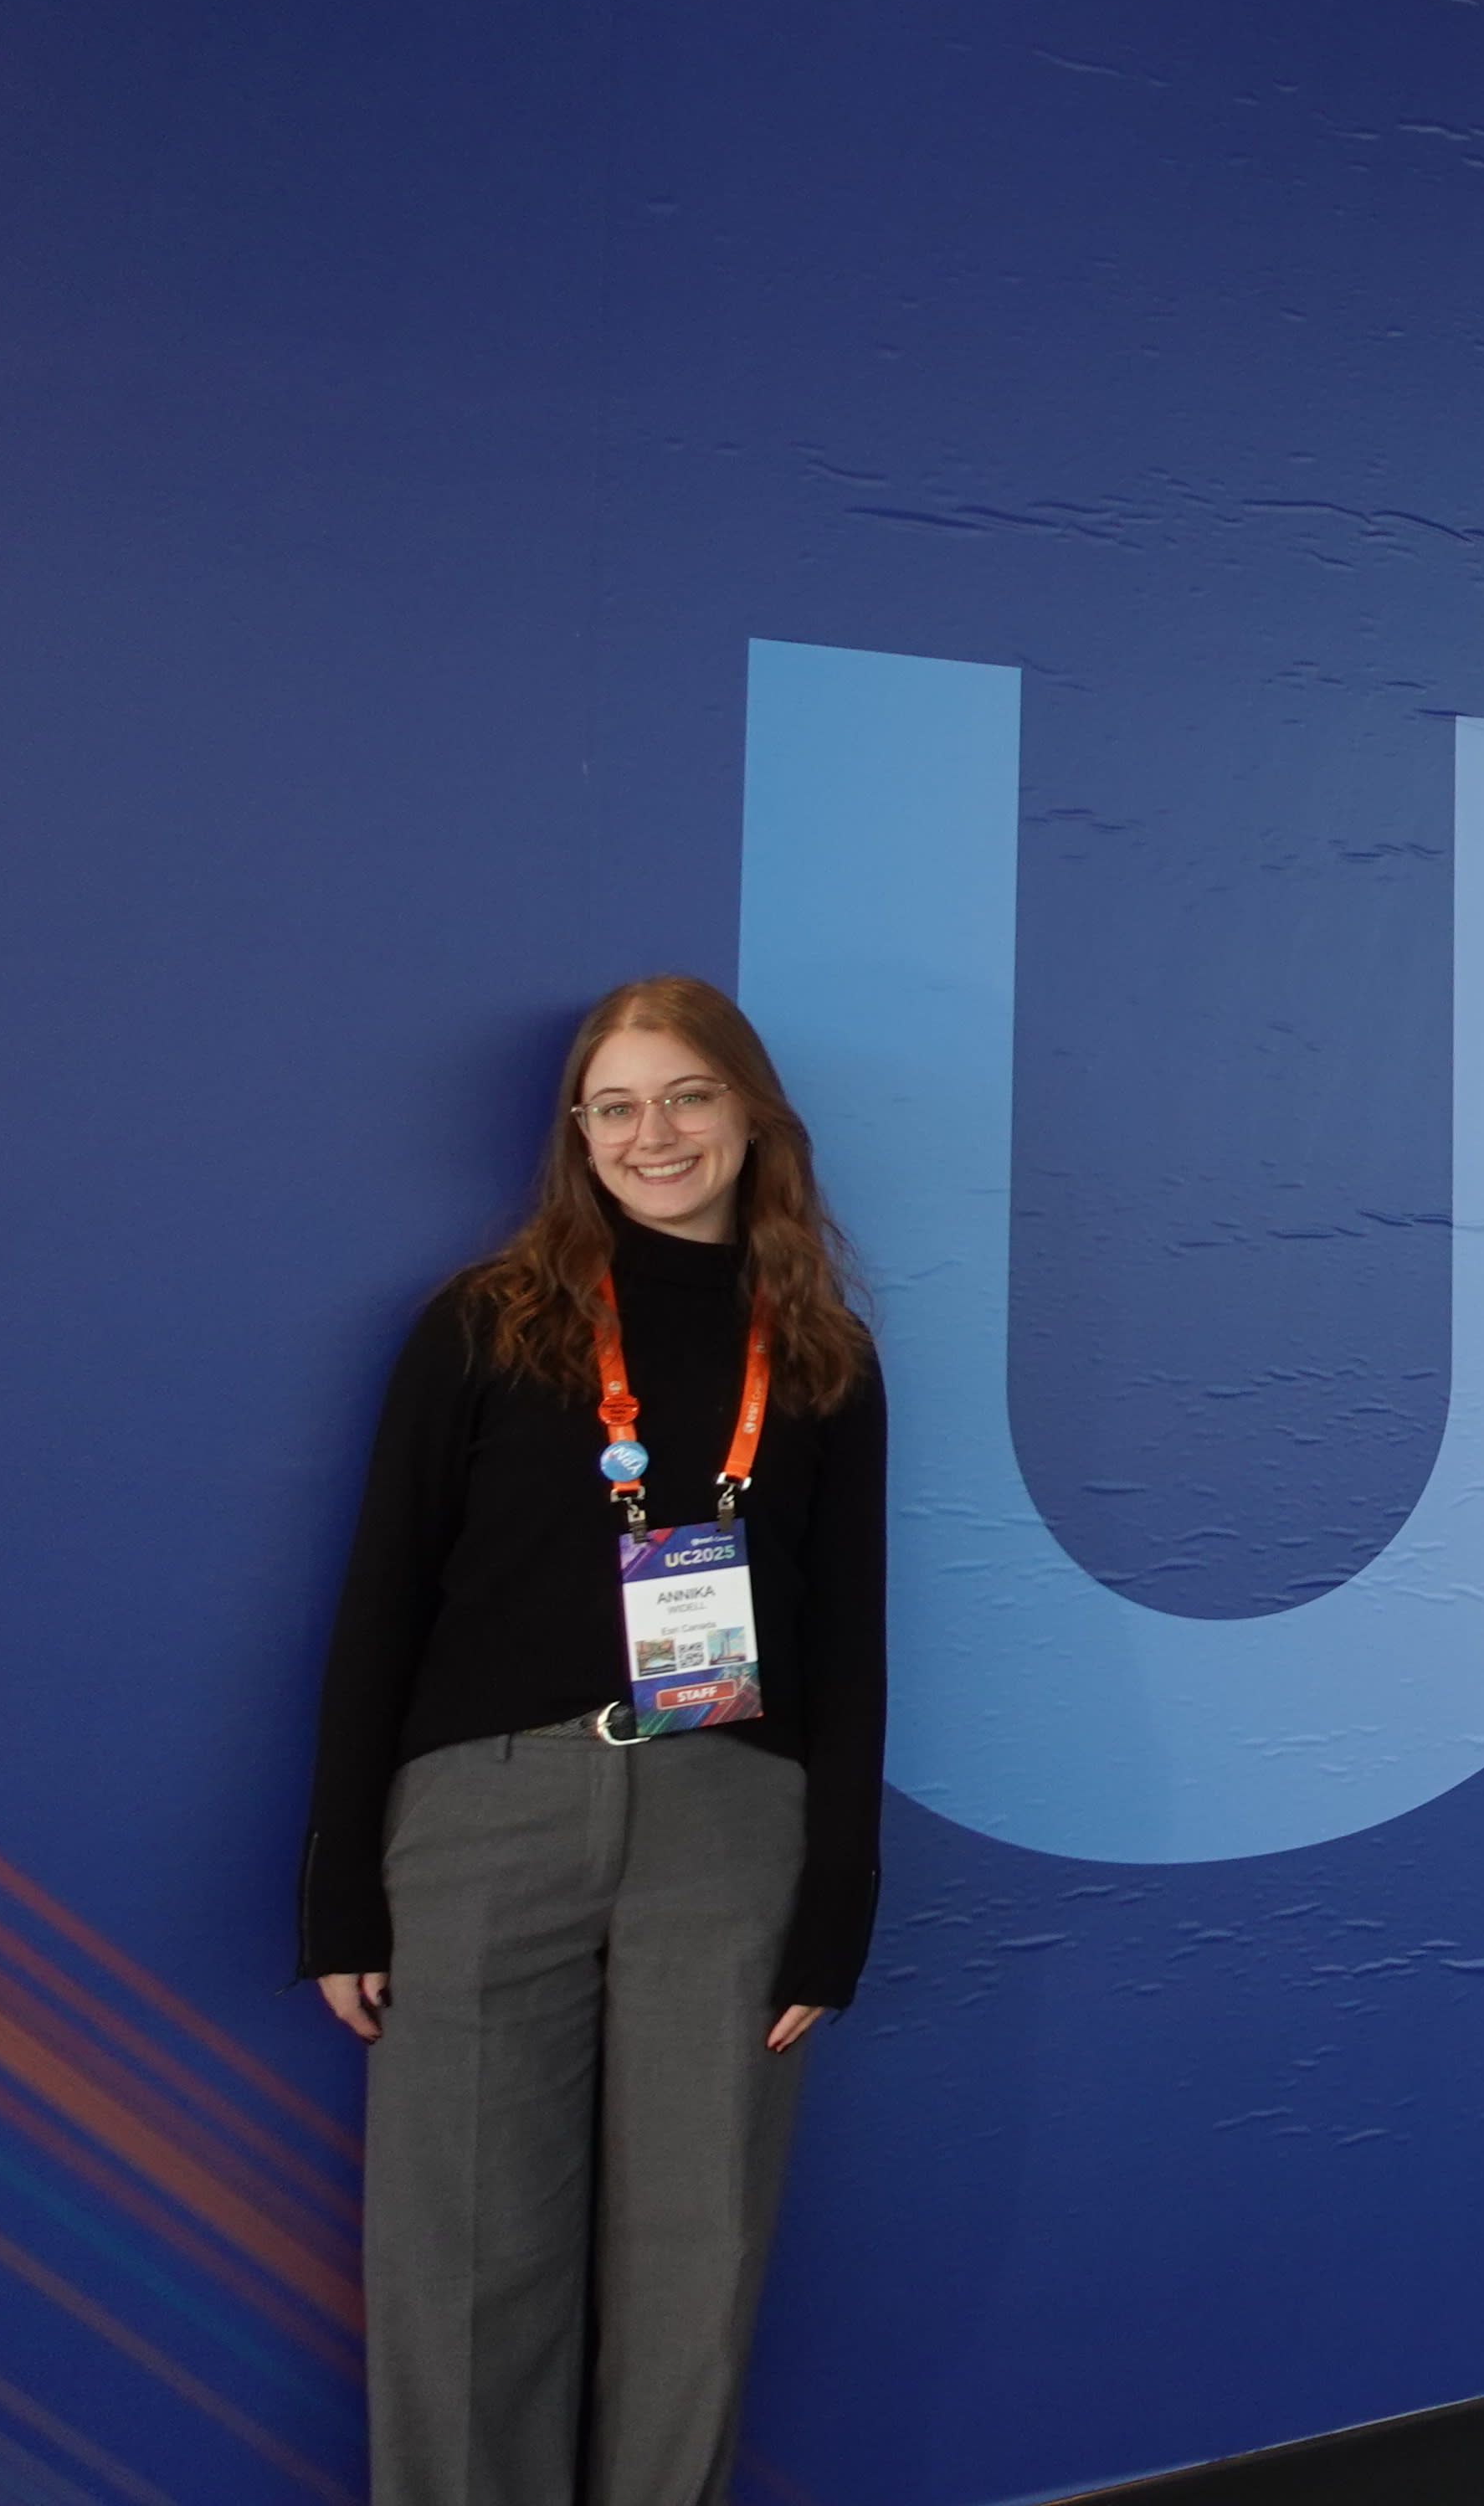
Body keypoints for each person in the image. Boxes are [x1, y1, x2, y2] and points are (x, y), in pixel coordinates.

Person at [300, 976, 888, 2506]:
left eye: (689, 1095)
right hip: (487, 1819)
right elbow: (378, 1609)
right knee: (466, 2263)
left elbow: (851, 1637)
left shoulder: (822, 1356)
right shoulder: (483, 1326)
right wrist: (338, 1891)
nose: (656, 1133)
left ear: (751, 1114)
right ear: (578, 1134)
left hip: (730, 1827)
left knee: (697, 2260)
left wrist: (837, 1899)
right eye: (616, 1105)